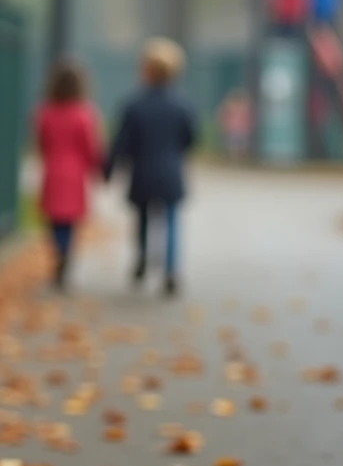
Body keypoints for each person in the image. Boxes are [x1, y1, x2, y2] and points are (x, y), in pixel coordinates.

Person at [103, 38, 198, 297]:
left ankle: (143, 258)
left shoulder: (134, 104)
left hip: (143, 171)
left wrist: (108, 169)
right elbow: (191, 138)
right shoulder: (183, 104)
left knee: (143, 218)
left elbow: (121, 142)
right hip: (170, 171)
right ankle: (170, 270)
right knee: (170, 221)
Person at [34, 58, 103, 289]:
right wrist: (97, 168)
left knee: (55, 218)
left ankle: (59, 251)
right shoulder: (85, 114)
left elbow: (41, 141)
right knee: (71, 219)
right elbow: (91, 147)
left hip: (53, 170)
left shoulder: (45, 112)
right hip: (75, 173)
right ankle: (66, 252)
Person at [216, 88, 253, 160]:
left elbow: (249, 118)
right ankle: (233, 159)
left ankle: (239, 159)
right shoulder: (230, 107)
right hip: (232, 129)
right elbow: (222, 116)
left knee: (242, 147)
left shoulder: (245, 107)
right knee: (232, 146)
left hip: (242, 130)